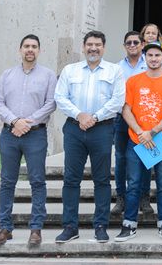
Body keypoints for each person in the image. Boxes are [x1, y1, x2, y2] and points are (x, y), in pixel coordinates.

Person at [54, 30, 125, 244]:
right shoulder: (70, 70)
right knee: (71, 179)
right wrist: (80, 115)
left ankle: (101, 226)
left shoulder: (115, 71)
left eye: (98, 45)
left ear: (103, 47)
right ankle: (69, 226)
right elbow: (60, 96)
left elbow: (118, 100)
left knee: (102, 179)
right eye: (90, 45)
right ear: (83, 47)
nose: (93, 48)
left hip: (102, 129)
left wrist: (94, 117)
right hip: (75, 128)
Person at [0, 35, 57, 247]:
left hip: (36, 134)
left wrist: (28, 122)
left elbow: (51, 103)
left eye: (34, 47)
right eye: (27, 46)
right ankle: (5, 228)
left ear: (39, 50)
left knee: (37, 181)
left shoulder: (48, 75)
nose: (30, 50)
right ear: (20, 49)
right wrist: (15, 121)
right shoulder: (7, 75)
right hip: (9, 134)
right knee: (7, 182)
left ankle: (36, 228)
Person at [115, 42, 162, 243]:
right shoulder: (134, 81)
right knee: (134, 183)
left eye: (157, 55)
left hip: (161, 139)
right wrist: (140, 132)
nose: (154, 59)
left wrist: (152, 132)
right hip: (137, 139)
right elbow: (126, 109)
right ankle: (129, 225)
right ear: (145, 58)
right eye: (150, 55)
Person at [113, 31, 150, 217]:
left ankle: (144, 197)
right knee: (121, 159)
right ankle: (121, 197)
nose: (133, 45)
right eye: (129, 42)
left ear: (142, 44)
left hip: (145, 119)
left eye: (136, 42)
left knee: (145, 158)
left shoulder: (150, 63)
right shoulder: (117, 68)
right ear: (124, 46)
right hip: (121, 118)